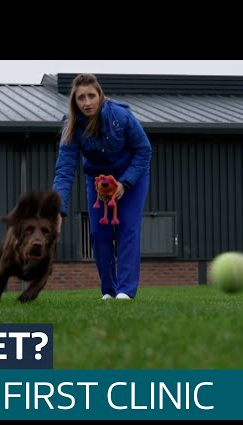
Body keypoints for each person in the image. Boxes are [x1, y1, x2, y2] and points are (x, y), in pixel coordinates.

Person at [52, 73, 152, 300]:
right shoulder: (72, 127)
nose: (87, 102)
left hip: (131, 176)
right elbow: (64, 170)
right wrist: (57, 209)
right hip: (98, 180)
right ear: (74, 101)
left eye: (91, 96)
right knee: (99, 233)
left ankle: (125, 292)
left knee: (128, 228)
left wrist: (125, 183)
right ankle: (109, 290)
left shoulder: (120, 116)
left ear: (100, 95)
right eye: (81, 98)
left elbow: (144, 150)